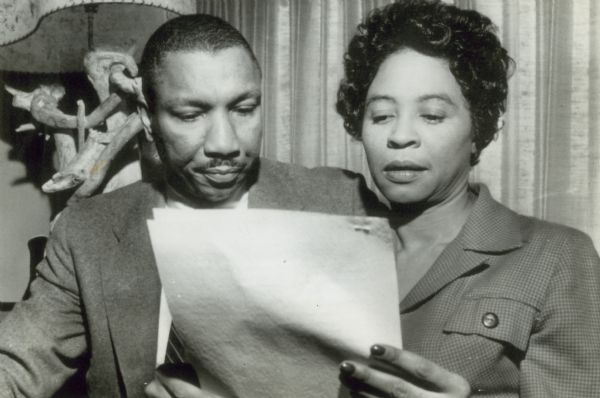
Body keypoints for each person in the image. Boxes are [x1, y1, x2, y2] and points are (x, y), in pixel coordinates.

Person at [0, 14, 379, 397]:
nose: (225, 142)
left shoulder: (339, 202)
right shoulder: (87, 232)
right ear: (148, 120)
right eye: (191, 115)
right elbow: (16, 362)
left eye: (244, 109)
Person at [335, 1, 600, 397]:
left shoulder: (556, 258)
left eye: (432, 115)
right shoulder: (336, 249)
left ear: (479, 128)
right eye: (381, 115)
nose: (400, 135)